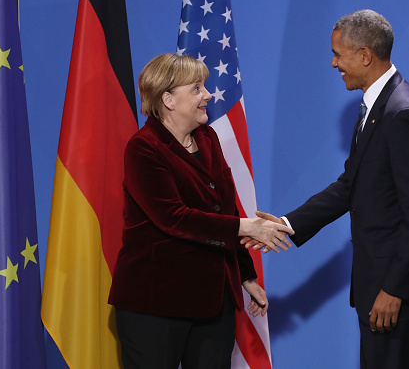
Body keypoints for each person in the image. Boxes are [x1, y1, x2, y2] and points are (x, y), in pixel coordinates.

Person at [244, 10, 409, 369]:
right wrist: (286, 224)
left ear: (365, 55)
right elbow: (349, 185)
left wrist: (395, 289)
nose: (333, 62)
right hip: (380, 286)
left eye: (339, 53)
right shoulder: (376, 107)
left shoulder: (403, 114)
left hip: (395, 292)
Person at [108, 53, 293, 369]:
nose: (208, 95)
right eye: (196, 88)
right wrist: (247, 227)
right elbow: (173, 218)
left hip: (212, 301)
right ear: (168, 99)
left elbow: (226, 207)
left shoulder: (208, 138)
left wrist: (246, 275)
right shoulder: (144, 148)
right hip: (155, 304)